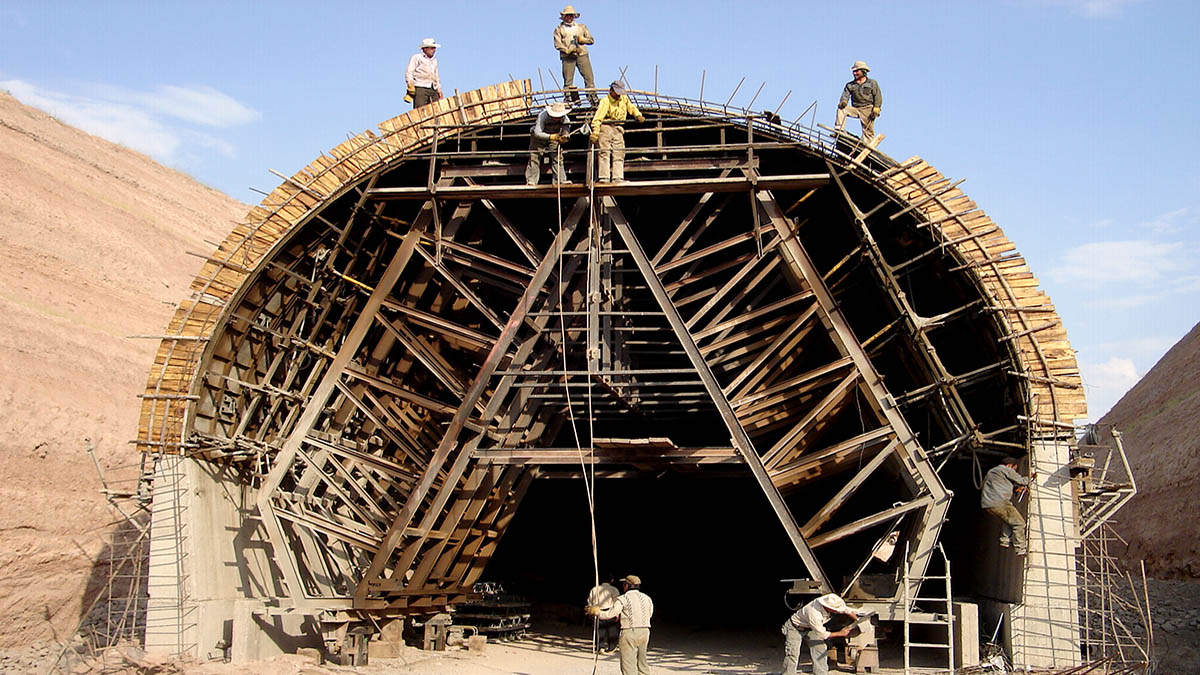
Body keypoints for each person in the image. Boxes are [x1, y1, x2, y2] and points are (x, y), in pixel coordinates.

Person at [587, 574, 653, 675]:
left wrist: (596, 612)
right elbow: (650, 613)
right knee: (642, 661)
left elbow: (611, 613)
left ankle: (601, 647)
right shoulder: (647, 598)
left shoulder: (623, 598)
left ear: (627, 586)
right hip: (645, 631)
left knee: (628, 664)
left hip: (629, 631)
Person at [782, 593, 862, 675]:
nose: (838, 611)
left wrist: (858, 620)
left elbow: (846, 610)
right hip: (795, 627)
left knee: (820, 649)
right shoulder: (813, 613)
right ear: (828, 607)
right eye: (835, 610)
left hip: (810, 628)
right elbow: (823, 634)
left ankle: (821, 673)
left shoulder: (831, 602)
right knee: (793, 653)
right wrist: (841, 633)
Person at [589, 81, 644, 183]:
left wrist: (637, 115)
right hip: (606, 127)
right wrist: (596, 132)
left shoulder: (624, 98)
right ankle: (604, 177)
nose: (618, 95)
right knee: (604, 152)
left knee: (619, 152)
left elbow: (631, 107)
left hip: (618, 127)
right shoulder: (605, 102)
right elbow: (597, 119)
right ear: (611, 90)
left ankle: (618, 177)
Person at [981, 456, 1035, 555]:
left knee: (1009, 519)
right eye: (1015, 468)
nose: (1015, 471)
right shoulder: (1006, 469)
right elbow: (1022, 481)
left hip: (988, 505)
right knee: (1019, 523)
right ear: (1010, 465)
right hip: (1000, 503)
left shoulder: (992, 472)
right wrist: (1032, 477)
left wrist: (1015, 489)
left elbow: (998, 486)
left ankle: (1005, 540)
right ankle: (1020, 548)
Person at [553, 6, 598, 105]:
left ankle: (592, 98)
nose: (569, 17)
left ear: (574, 16)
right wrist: (567, 50)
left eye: (571, 15)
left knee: (589, 78)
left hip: (582, 54)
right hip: (568, 57)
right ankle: (568, 99)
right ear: (564, 17)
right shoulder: (559, 29)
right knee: (568, 80)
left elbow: (591, 40)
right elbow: (557, 44)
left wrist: (582, 40)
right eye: (567, 15)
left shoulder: (581, 27)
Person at [834, 60, 882, 142]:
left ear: (863, 71)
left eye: (857, 71)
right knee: (841, 109)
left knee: (868, 132)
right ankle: (839, 129)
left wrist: (876, 109)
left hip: (868, 109)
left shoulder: (872, 83)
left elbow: (878, 97)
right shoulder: (850, 85)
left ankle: (868, 146)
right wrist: (843, 102)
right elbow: (845, 96)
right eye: (854, 71)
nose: (855, 73)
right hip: (856, 108)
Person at [526, 102, 572, 185]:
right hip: (538, 139)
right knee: (534, 157)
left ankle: (560, 181)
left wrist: (564, 137)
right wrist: (551, 137)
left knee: (557, 158)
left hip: (555, 137)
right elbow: (537, 132)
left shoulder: (565, 119)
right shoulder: (542, 116)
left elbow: (566, 130)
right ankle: (531, 180)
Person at [405, 38, 443, 108]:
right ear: (425, 49)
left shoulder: (434, 60)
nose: (434, 50)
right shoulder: (417, 58)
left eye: (434, 48)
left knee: (436, 109)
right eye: (431, 48)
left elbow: (436, 75)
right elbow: (409, 72)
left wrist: (439, 89)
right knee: (420, 109)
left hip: (433, 88)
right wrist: (410, 85)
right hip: (421, 87)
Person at [586, 576, 620, 653]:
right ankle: (611, 647)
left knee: (599, 630)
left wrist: (590, 611)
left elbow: (590, 601)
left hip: (597, 611)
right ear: (611, 580)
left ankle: (600, 647)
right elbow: (616, 602)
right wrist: (617, 613)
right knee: (612, 630)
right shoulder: (614, 589)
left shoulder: (594, 589)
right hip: (610, 611)